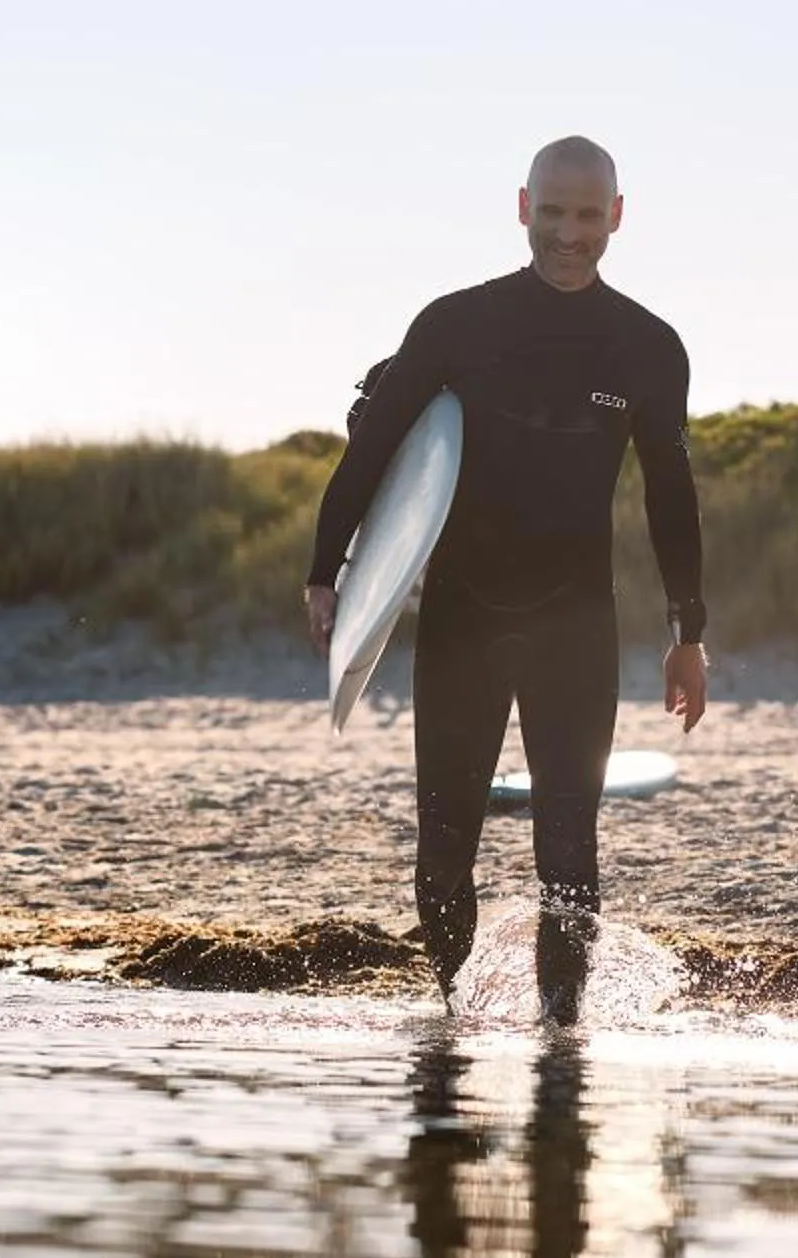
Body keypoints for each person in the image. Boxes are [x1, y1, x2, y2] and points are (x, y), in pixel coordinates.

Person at [304, 136, 710, 1024]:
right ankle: (451, 1020)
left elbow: (671, 494)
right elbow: (374, 447)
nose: (570, 234)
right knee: (445, 845)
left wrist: (689, 634)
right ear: (523, 206)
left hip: (577, 625)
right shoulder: (458, 325)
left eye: (588, 216)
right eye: (554, 213)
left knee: (570, 849)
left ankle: (562, 1034)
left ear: (617, 217)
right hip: (463, 620)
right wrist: (326, 570)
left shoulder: (646, 347)